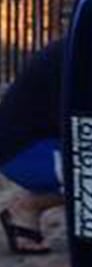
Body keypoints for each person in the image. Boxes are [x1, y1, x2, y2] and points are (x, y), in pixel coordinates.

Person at [0, 39, 66, 254]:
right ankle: (28, 205)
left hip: (25, 147)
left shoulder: (76, 50)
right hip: (24, 152)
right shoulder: (80, 58)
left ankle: (28, 208)